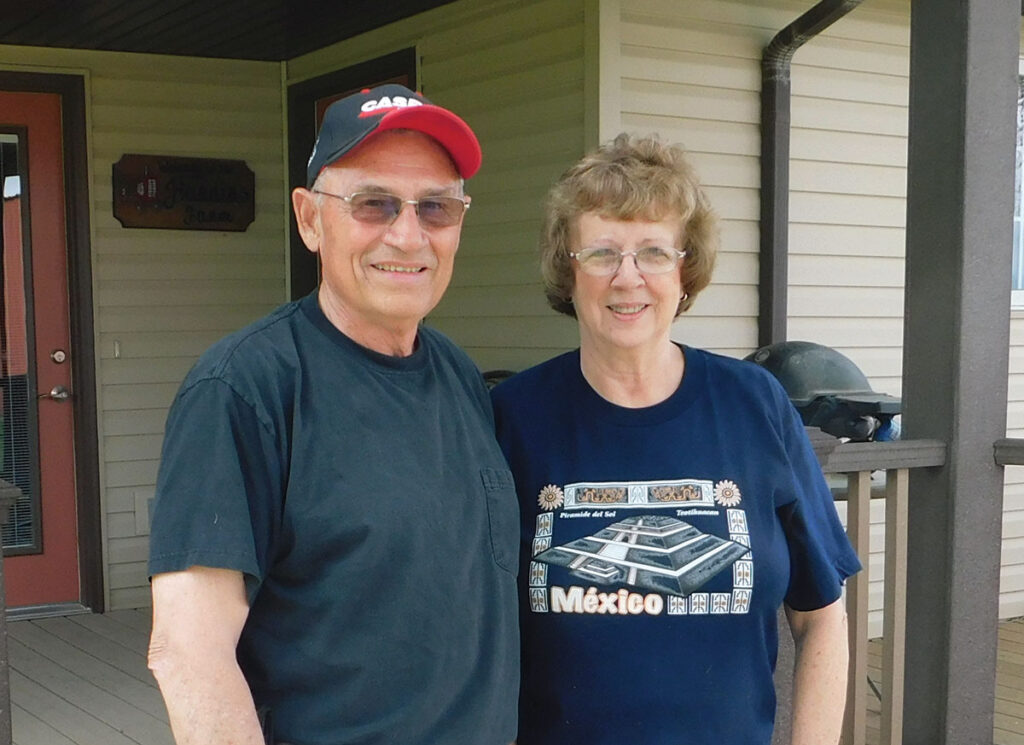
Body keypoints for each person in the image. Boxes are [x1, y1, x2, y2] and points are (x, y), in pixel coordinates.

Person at [147, 84, 519, 745]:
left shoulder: (461, 375)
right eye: (374, 203)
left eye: (437, 207)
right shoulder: (244, 389)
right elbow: (188, 654)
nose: (408, 235)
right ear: (310, 219)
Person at [490, 133, 861, 745]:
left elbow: (821, 615)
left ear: (685, 271)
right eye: (601, 251)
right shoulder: (513, 418)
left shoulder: (755, 404)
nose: (627, 277)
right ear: (569, 269)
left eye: (654, 253)